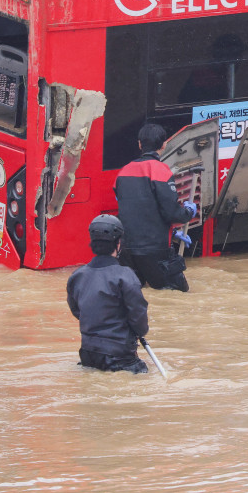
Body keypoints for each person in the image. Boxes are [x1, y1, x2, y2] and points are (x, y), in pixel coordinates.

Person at [114, 123, 197, 291]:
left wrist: (172, 232)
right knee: (179, 297)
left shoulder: (122, 172)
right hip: (155, 250)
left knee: (136, 296)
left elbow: (134, 210)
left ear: (139, 144)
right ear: (164, 144)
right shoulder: (161, 170)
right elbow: (172, 213)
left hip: (127, 250)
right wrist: (188, 212)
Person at [66, 214, 150, 374]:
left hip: (88, 353)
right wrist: (138, 332)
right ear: (118, 244)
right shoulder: (125, 276)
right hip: (119, 356)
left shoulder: (77, 276)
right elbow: (138, 316)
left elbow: (78, 311)